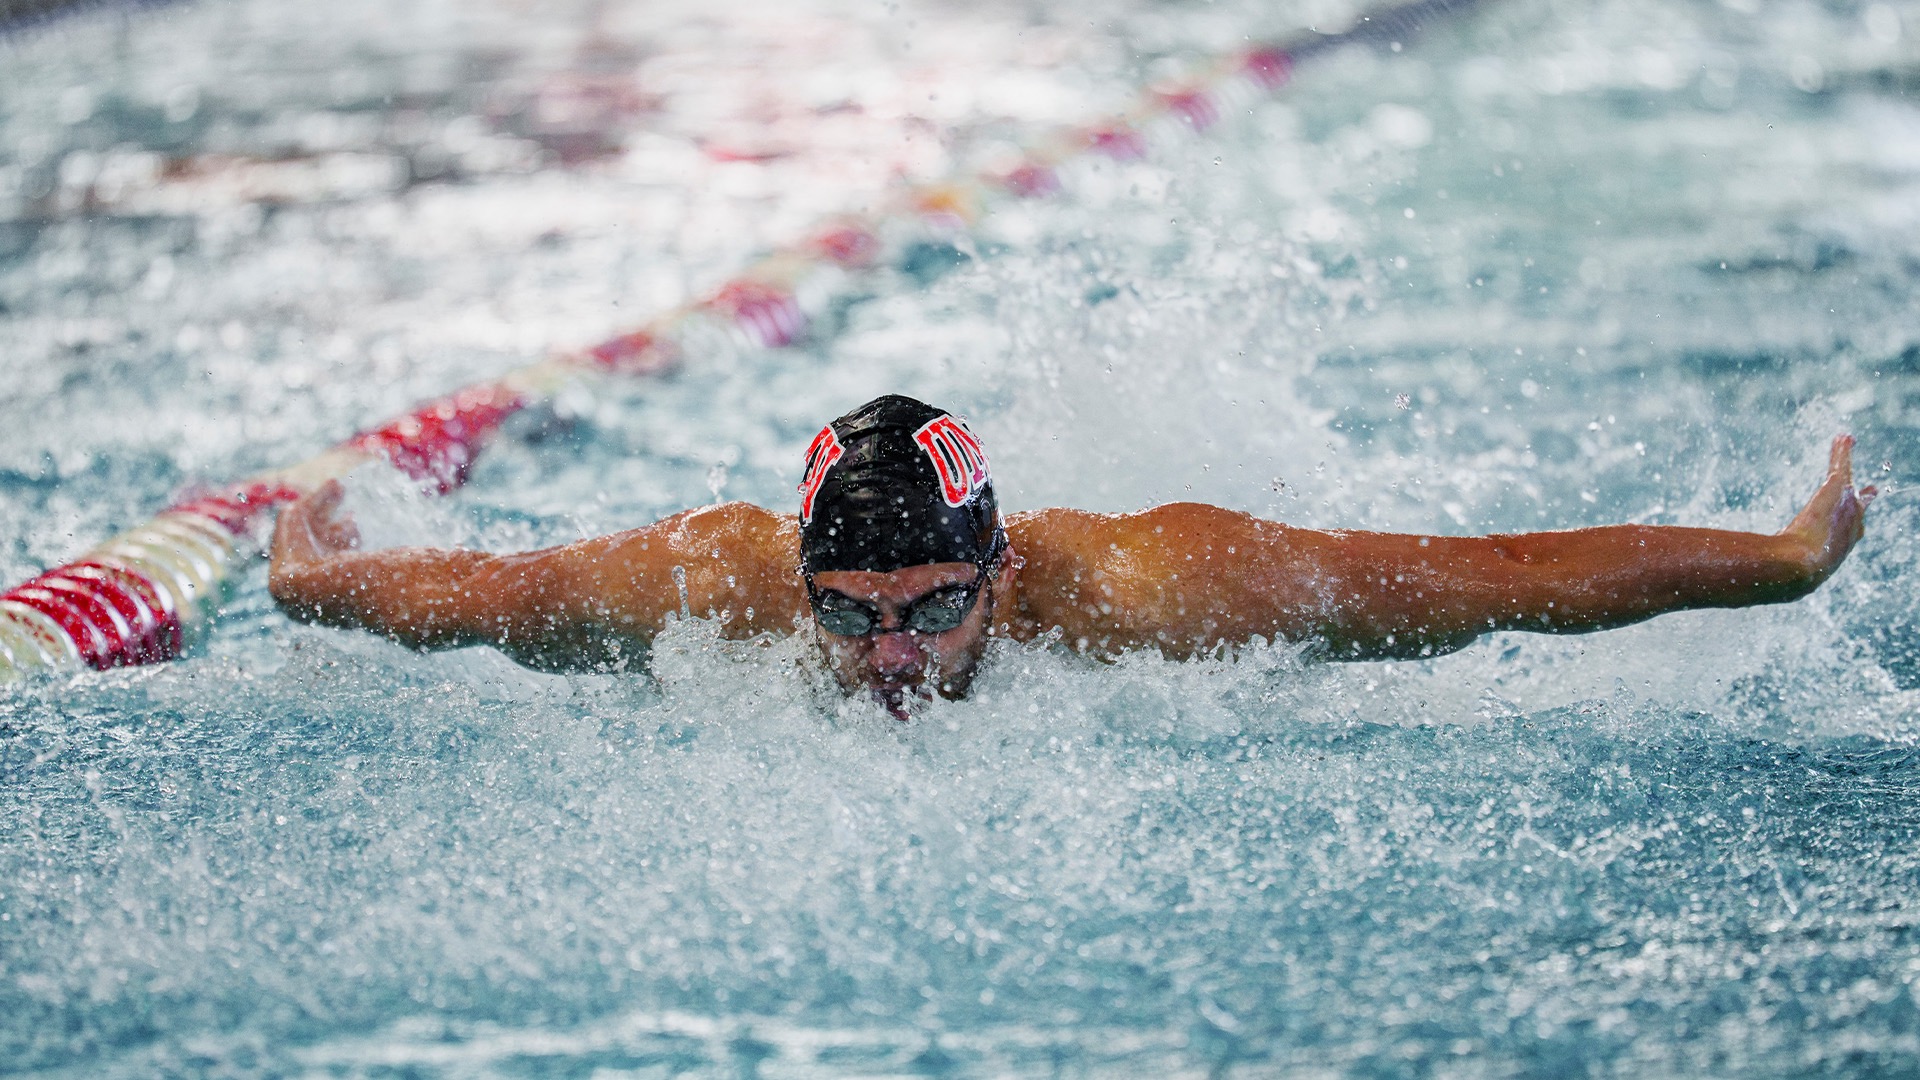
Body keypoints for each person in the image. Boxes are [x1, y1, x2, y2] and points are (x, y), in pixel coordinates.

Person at [270, 394, 1875, 717]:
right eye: (853, 618)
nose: (891, 661)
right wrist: (306, 574)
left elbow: (1503, 576)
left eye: (937, 611)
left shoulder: (1167, 592)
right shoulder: (718, 581)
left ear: (1010, 571)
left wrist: (1782, 559)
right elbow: (485, 598)